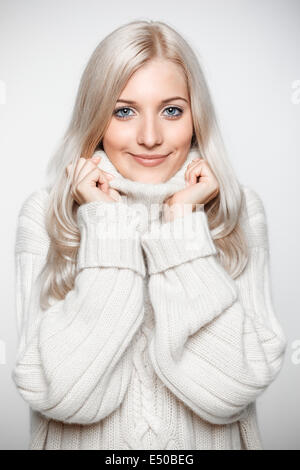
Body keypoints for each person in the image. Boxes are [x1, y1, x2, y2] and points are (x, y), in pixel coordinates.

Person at [12, 19, 287, 450]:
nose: (150, 137)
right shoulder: (48, 217)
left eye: (171, 110)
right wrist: (108, 225)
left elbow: (231, 388)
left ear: (196, 116)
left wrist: (182, 221)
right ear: (96, 116)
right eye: (124, 111)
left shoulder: (236, 212)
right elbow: (65, 395)